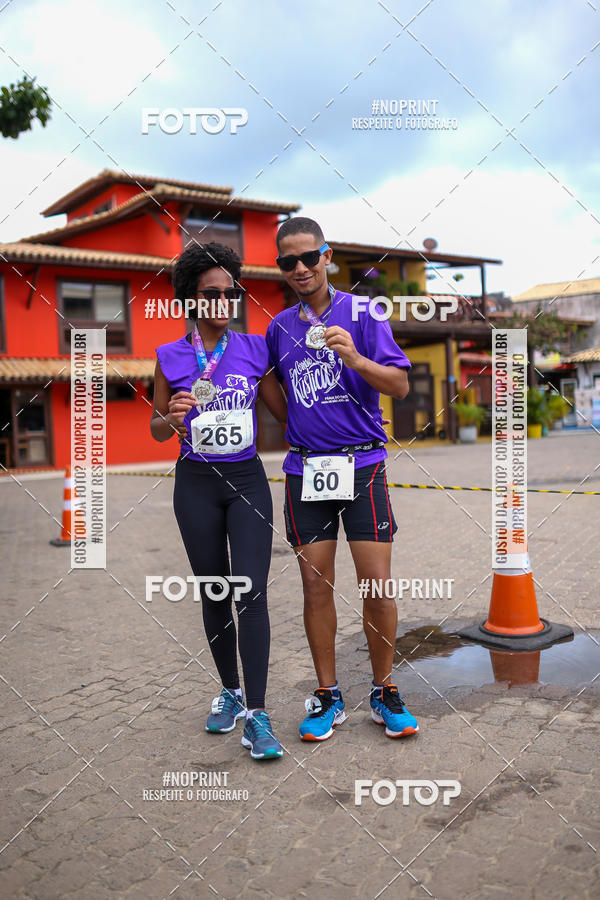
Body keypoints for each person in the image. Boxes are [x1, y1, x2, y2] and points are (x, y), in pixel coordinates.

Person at [266, 217, 419, 741]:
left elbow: (399, 385)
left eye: (310, 257)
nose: (301, 268)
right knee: (315, 585)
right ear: (280, 267)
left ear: (327, 255)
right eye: (289, 262)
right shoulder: (279, 326)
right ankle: (328, 695)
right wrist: (294, 422)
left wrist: (354, 356)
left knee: (376, 582)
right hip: (305, 469)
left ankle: (384, 690)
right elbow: (269, 383)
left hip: (362, 465)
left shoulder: (364, 312)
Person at [151, 241, 287, 760]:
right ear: (190, 297)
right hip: (196, 486)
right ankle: (228, 692)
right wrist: (173, 416)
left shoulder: (255, 349)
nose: (225, 300)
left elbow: (286, 414)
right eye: (213, 292)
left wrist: (349, 423)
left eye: (232, 291)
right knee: (215, 592)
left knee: (251, 592)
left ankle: (257, 713)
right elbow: (157, 430)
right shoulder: (169, 356)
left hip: (248, 482)